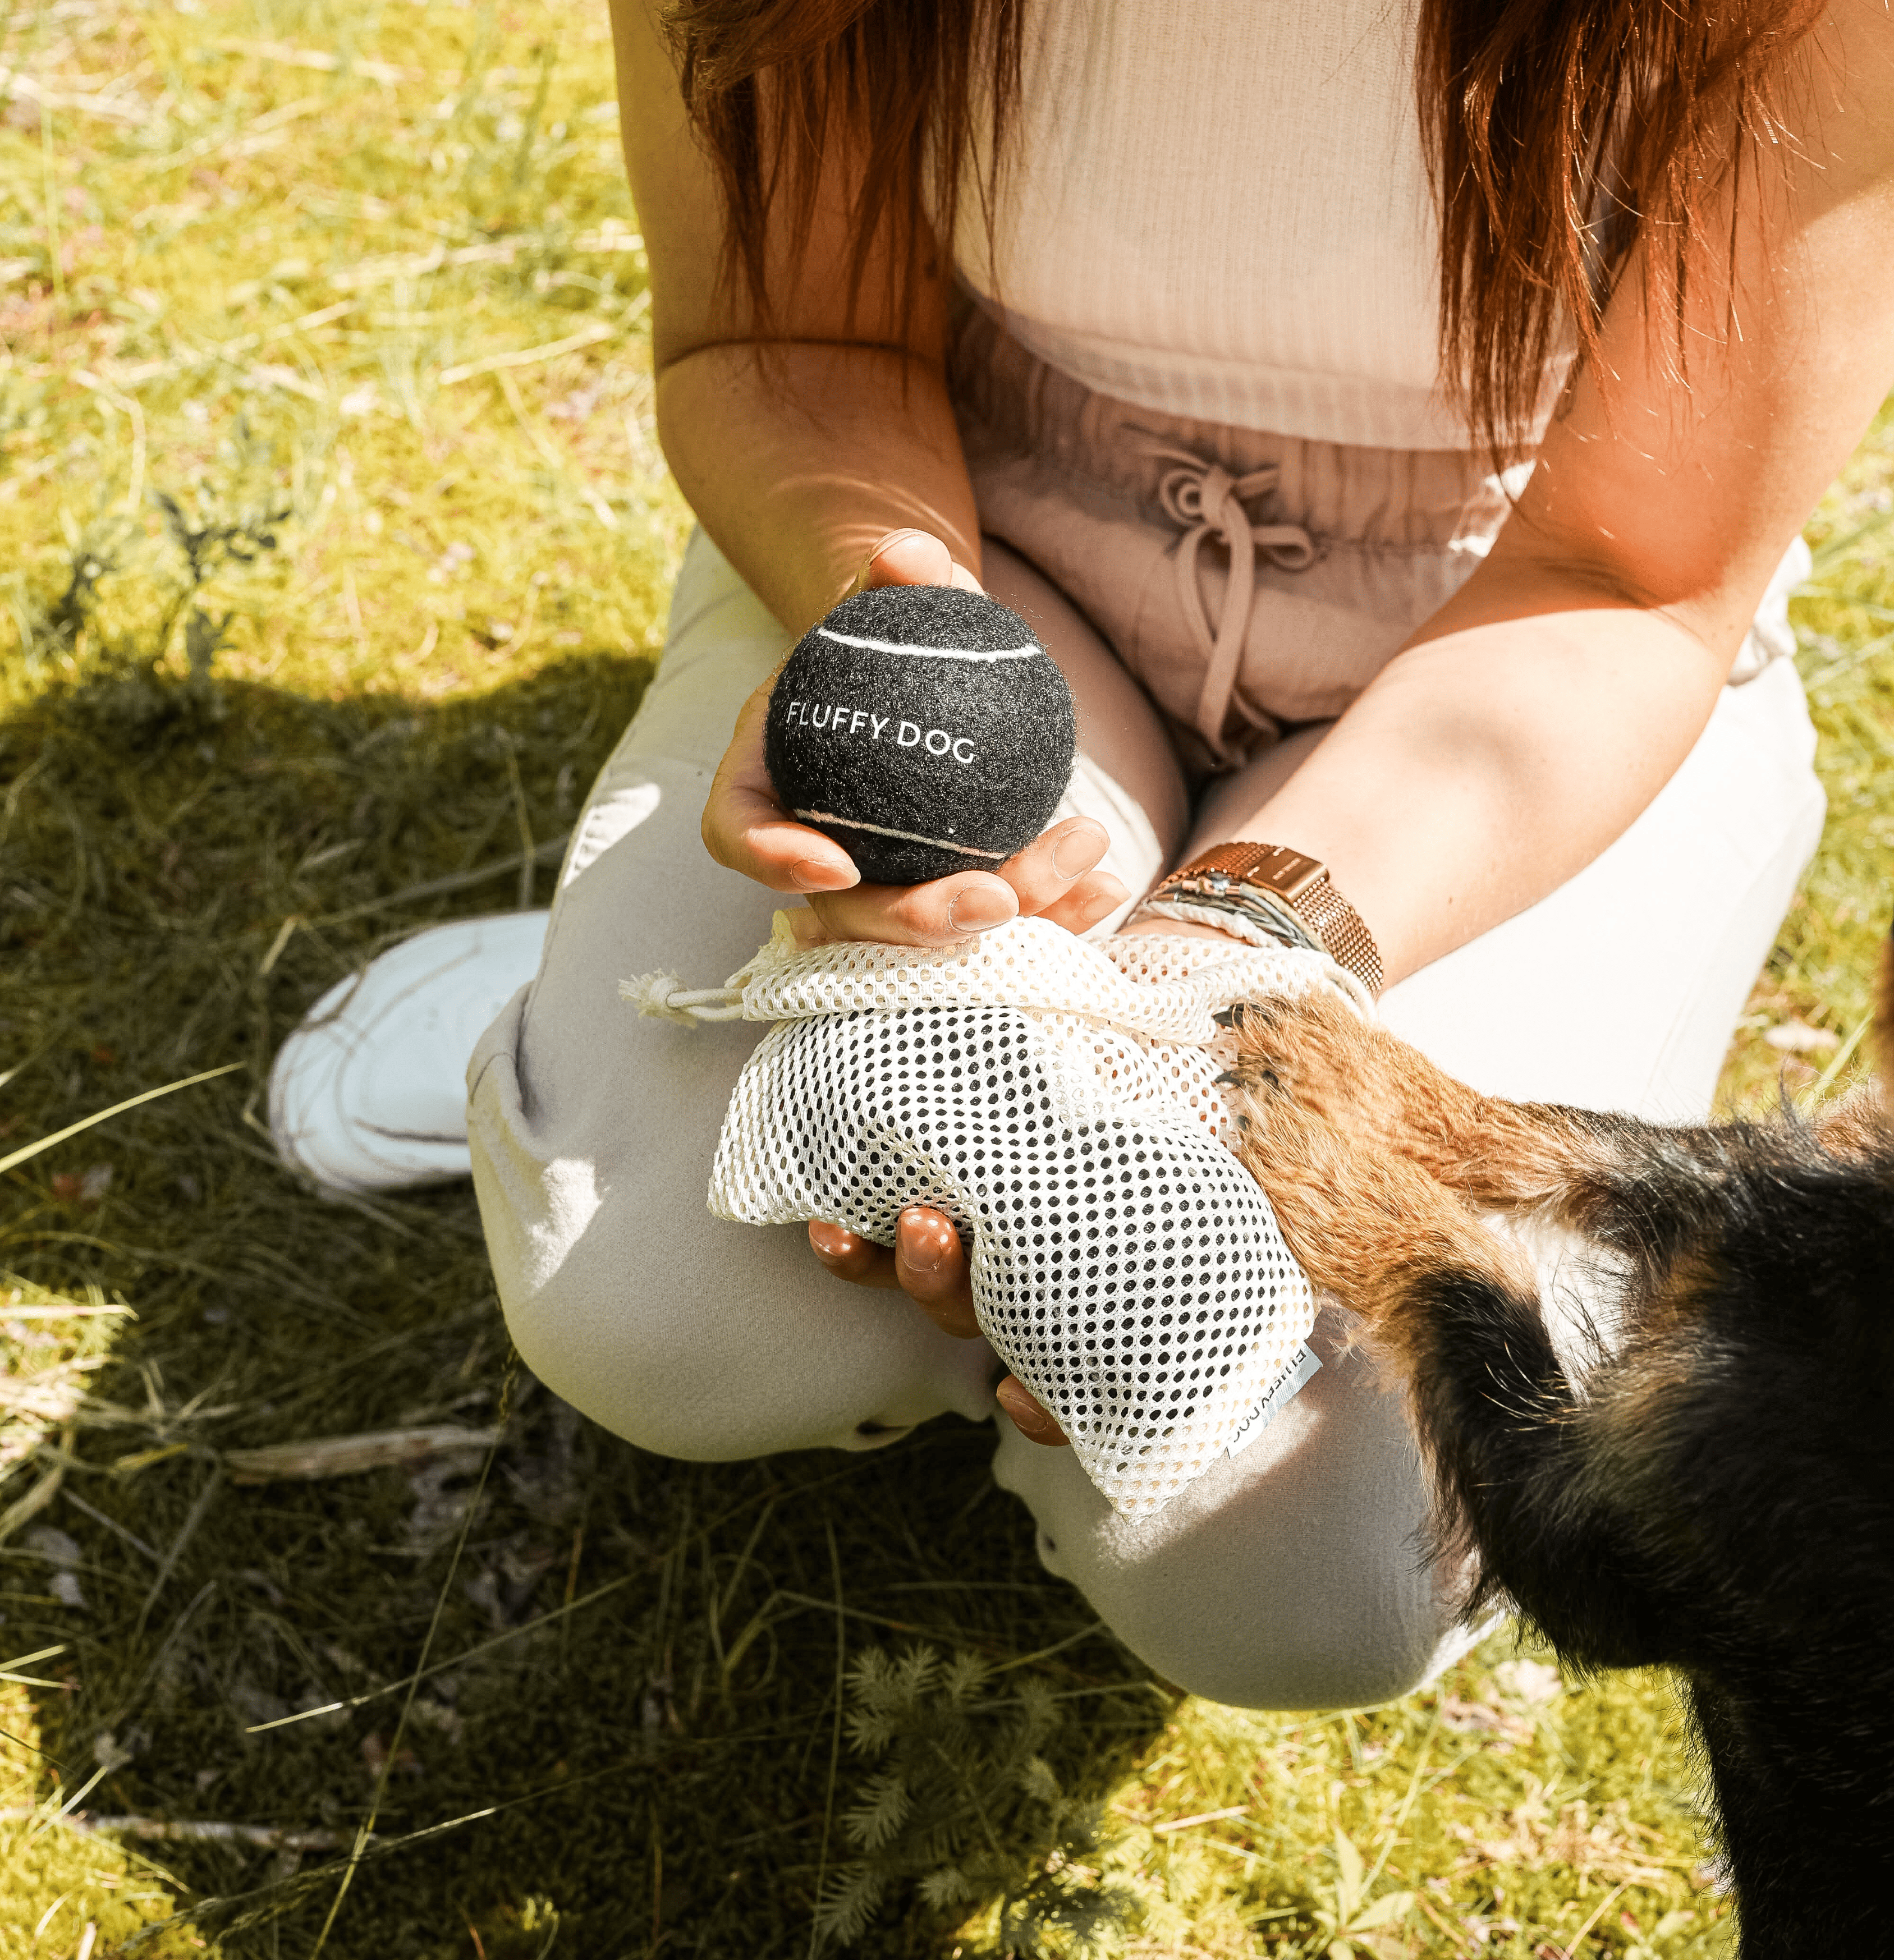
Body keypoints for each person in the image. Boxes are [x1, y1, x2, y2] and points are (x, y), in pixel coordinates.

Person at [270, 0, 1894, 1708]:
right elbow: (787, 340)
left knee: (1322, 1568)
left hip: (1538, 647)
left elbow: (1631, 578)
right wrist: (902, 667)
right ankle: (650, 995)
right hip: (993, 526)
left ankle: (804, 1097)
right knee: (656, 1309)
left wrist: (1220, 966)